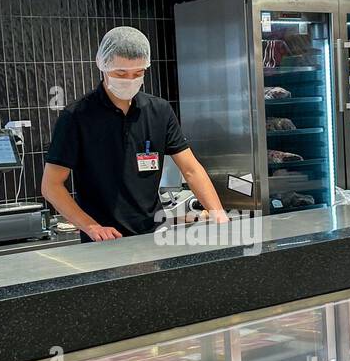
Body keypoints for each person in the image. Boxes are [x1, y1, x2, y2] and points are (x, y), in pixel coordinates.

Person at [43, 27, 228, 242]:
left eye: (138, 73)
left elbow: (191, 170)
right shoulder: (76, 117)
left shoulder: (159, 111)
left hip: (154, 236)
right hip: (103, 241)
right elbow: (51, 185)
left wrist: (218, 214)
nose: (129, 80)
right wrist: (91, 227)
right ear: (103, 66)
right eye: (121, 73)